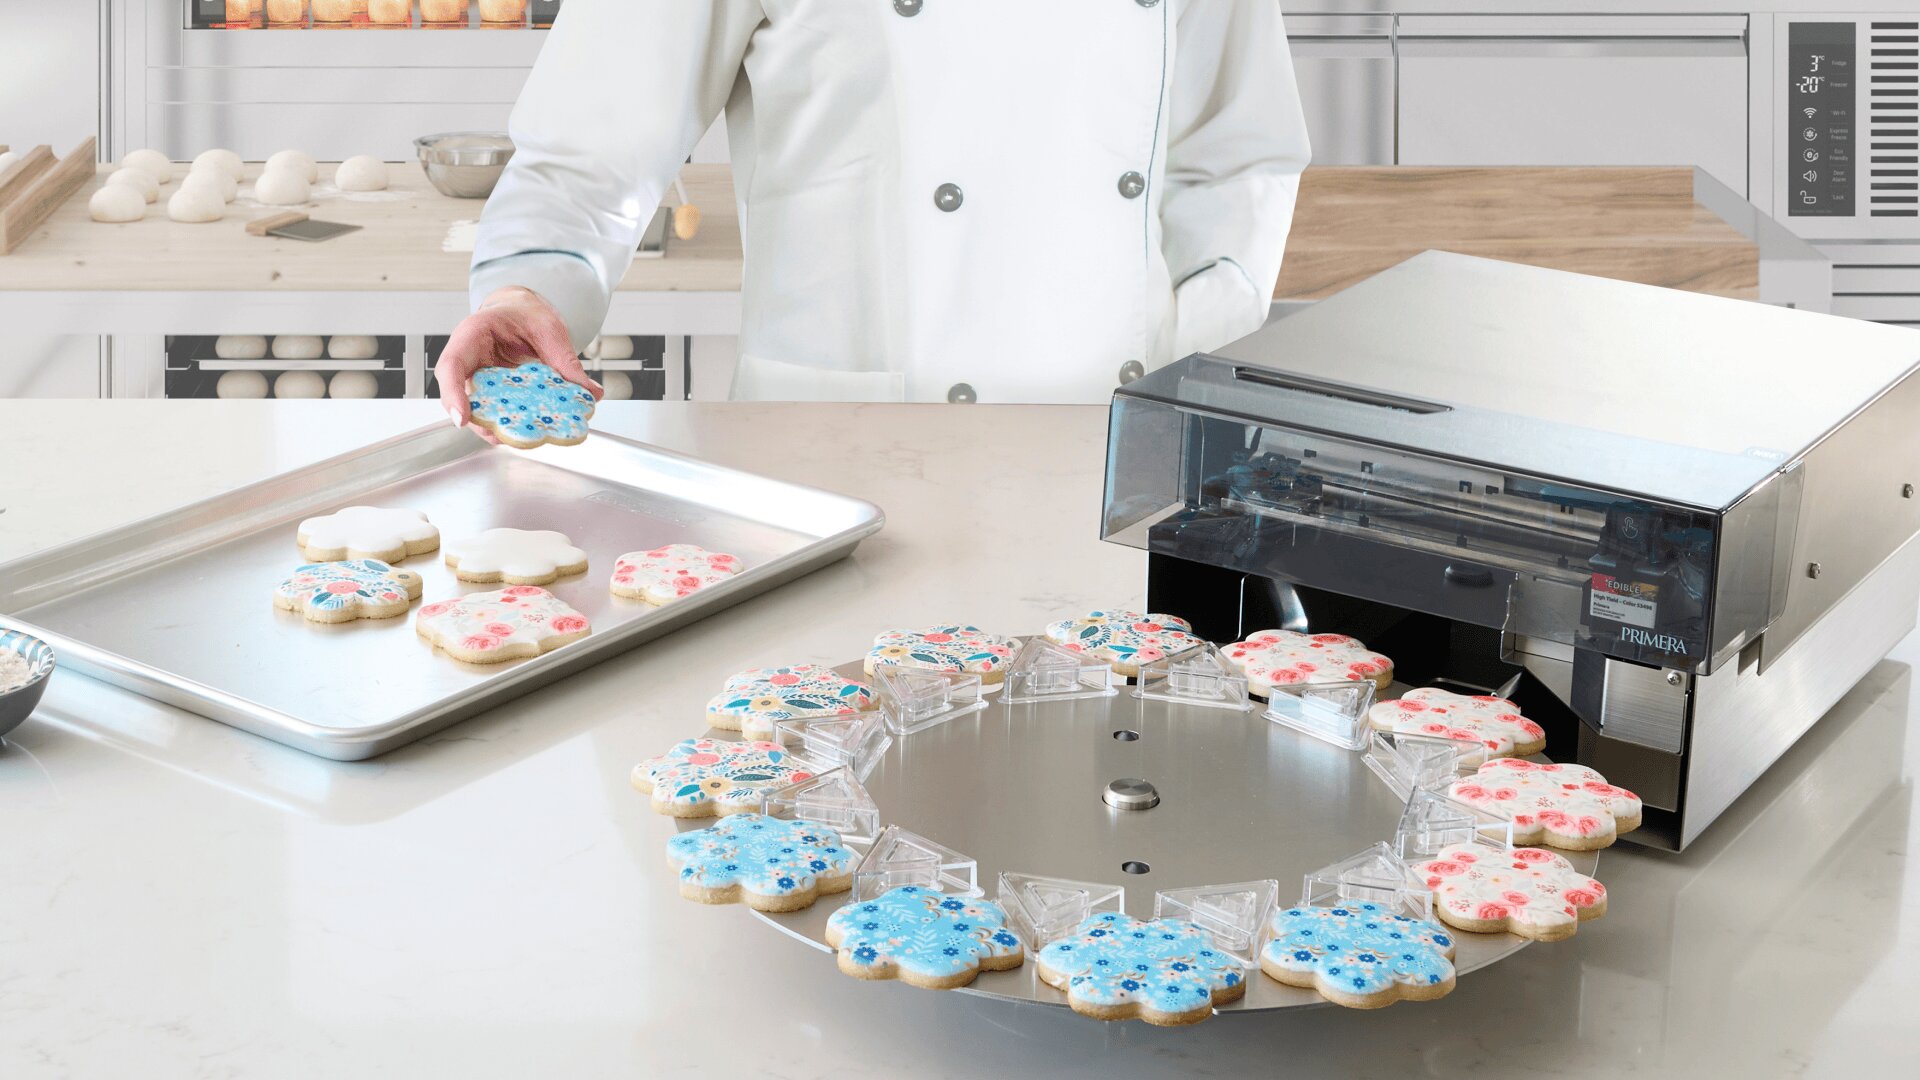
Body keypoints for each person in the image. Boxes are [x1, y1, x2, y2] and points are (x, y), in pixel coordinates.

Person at [437, 0, 1310, 422]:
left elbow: (1237, 154)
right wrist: (530, 291)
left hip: (1118, 448)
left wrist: (1195, 372)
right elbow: (590, 153)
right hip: (846, 452)